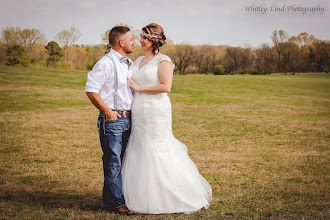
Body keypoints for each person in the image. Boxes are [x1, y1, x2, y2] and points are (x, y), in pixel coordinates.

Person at [122, 23, 212, 214]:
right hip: (139, 110)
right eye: (140, 37)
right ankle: (140, 194)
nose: (141, 40)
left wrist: (140, 89)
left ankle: (168, 195)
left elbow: (165, 87)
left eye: (145, 38)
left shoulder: (164, 61)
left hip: (156, 110)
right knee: (140, 146)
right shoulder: (137, 60)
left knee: (157, 146)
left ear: (155, 40)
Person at [85, 26, 134, 215]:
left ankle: (110, 199)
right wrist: (107, 111)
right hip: (113, 120)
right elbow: (91, 89)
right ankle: (115, 203)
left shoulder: (128, 62)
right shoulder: (105, 63)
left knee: (123, 160)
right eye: (131, 39)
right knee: (113, 161)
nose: (133, 42)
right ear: (122, 42)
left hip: (128, 119)